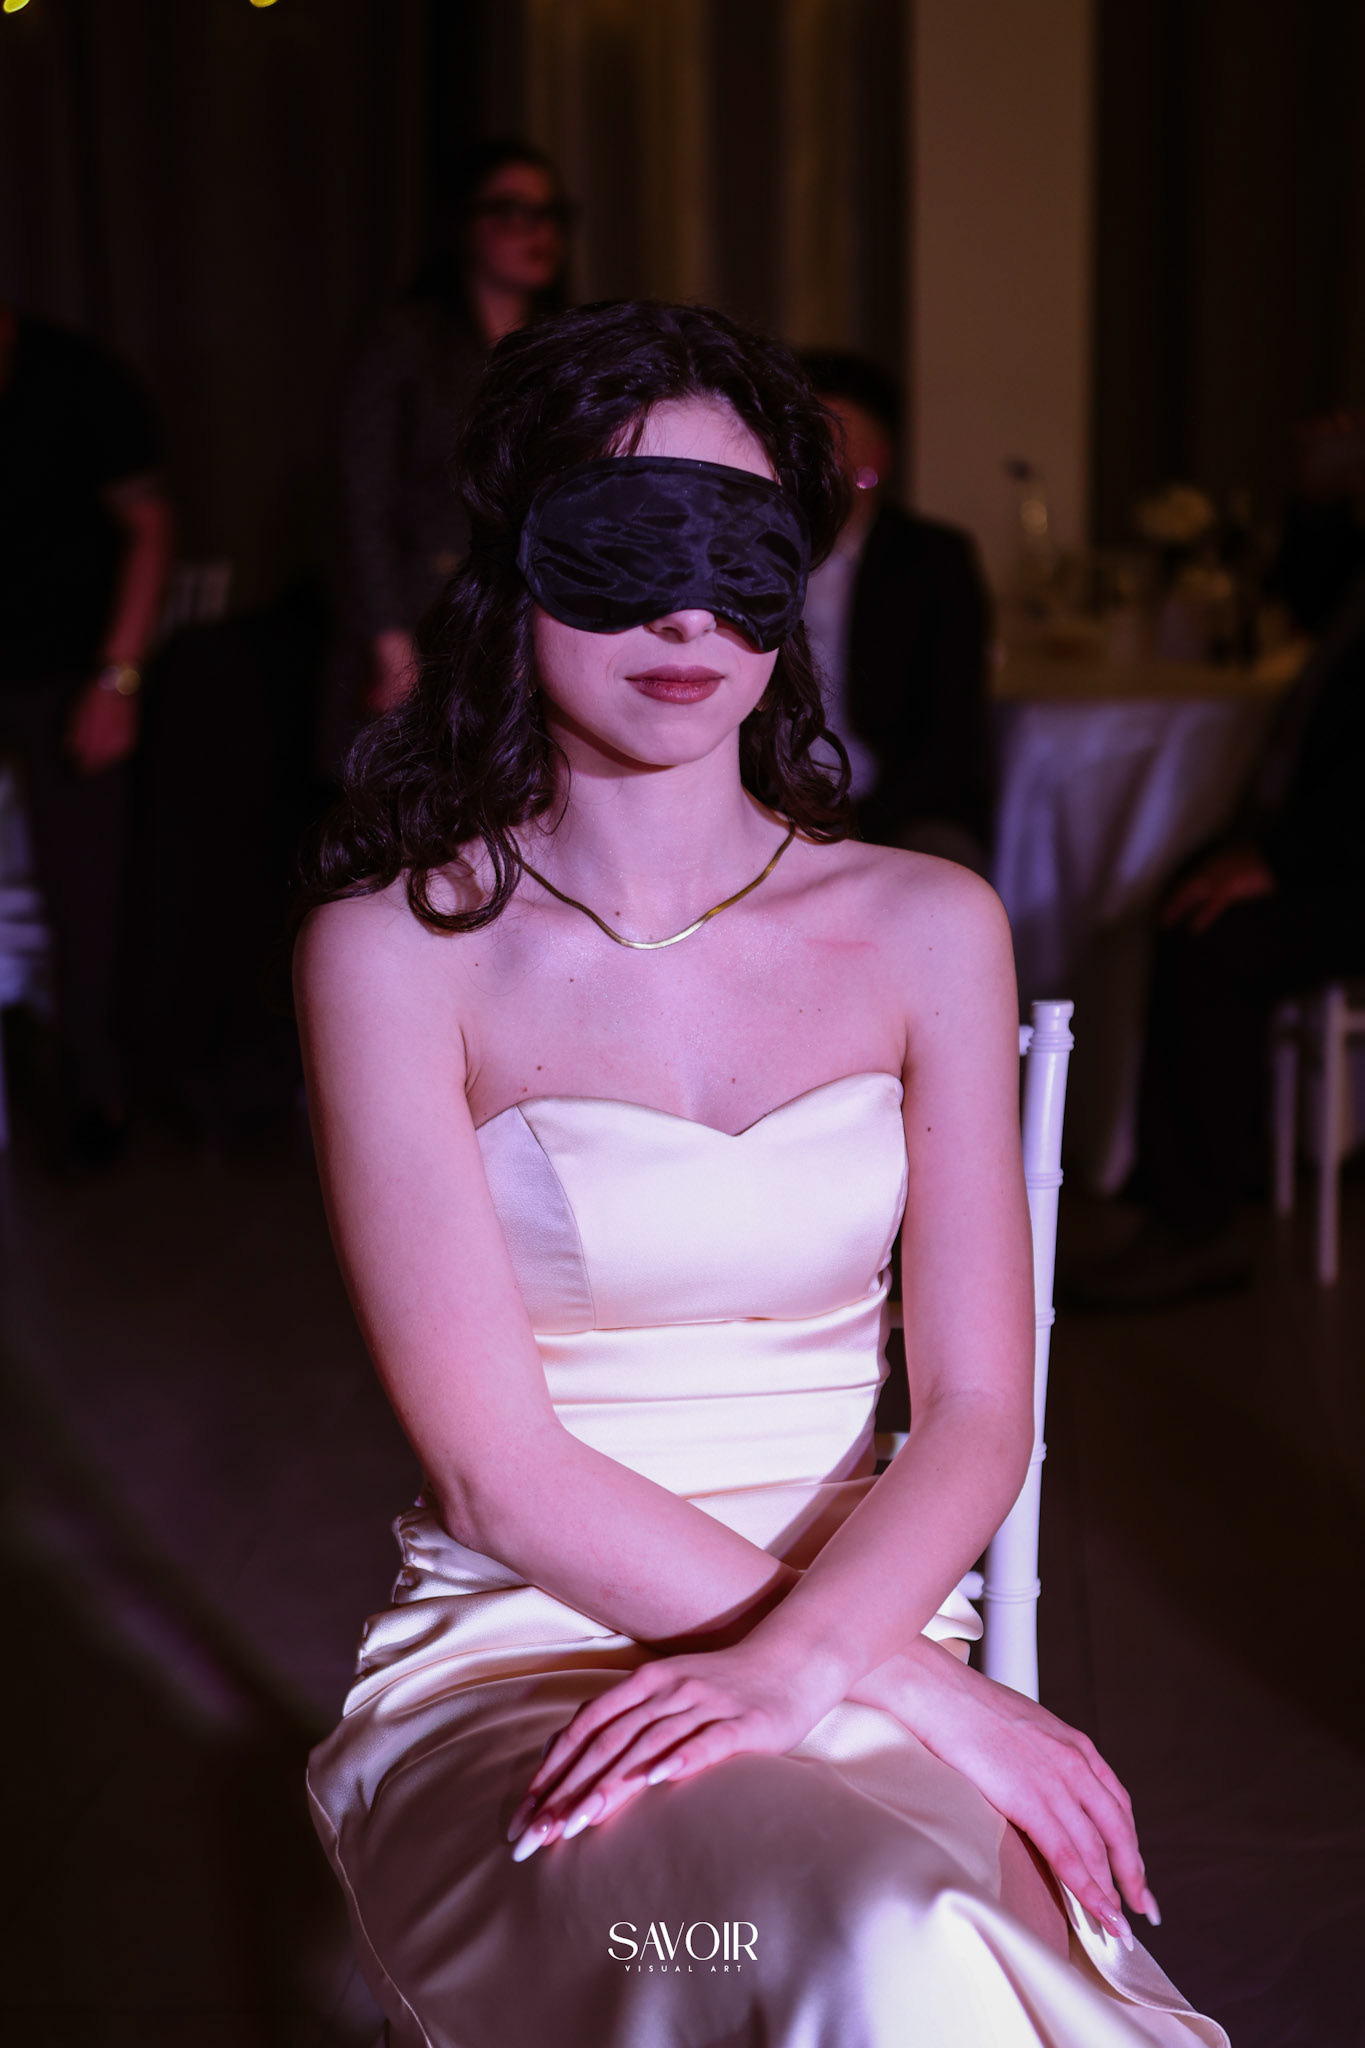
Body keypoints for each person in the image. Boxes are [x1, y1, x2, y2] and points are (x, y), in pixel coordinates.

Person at [294, 302, 1226, 2045]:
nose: (686, 615)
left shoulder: (928, 924)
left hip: (867, 1626)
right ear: (510, 559)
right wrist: (901, 1687)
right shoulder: (396, 954)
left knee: (916, 1936)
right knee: (874, 1941)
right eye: (626, 541)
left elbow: (975, 1404)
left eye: (740, 551)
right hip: (531, 1654)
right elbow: (497, 1475)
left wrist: (832, 1664)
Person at [1068, 416, 1365, 1312]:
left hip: (1344, 857)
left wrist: (1281, 859)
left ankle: (1195, 1224)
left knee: (1211, 933)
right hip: (1328, 841)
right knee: (1186, 891)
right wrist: (1315, 499)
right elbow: (1306, 605)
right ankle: (1214, 1178)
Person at [324, 139, 572, 768]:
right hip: (422, 613)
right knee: (423, 795)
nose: (536, 231)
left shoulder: (566, 347)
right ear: (465, 224)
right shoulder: (407, 340)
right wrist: (388, 644)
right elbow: (361, 500)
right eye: (511, 211)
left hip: (535, 616)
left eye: (549, 214)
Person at [0, 303, 172, 1161]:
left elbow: (149, 527)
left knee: (84, 887)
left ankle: (94, 1092)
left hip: (70, 665)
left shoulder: (77, 378)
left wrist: (116, 677)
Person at [800, 351, 995, 874]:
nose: (821, 454)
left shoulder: (933, 559)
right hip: (767, 798)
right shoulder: (760, 549)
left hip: (900, 804)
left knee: (941, 863)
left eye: (838, 435)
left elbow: (951, 732)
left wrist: (855, 822)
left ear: (878, 457)